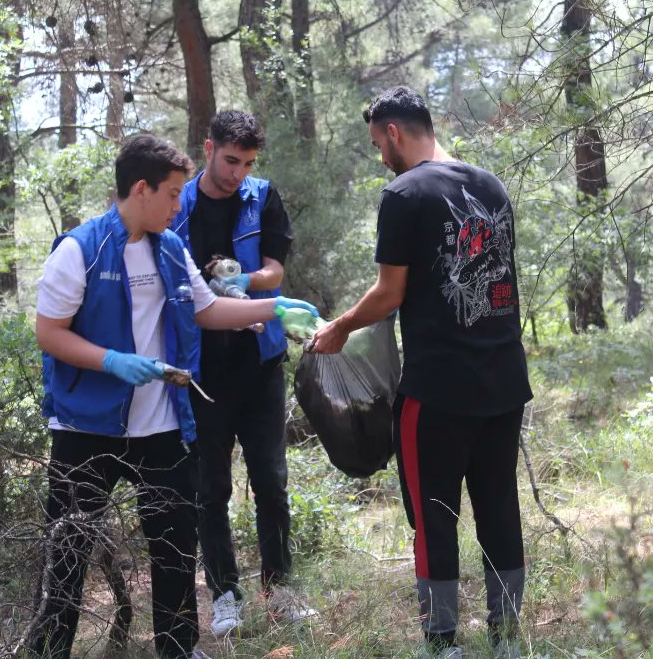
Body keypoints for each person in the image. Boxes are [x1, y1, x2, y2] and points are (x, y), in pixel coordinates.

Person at [33, 133, 317, 659]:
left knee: (173, 548)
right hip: (85, 429)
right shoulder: (80, 249)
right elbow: (49, 333)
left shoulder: (168, 247)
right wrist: (111, 360)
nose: (177, 204)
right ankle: (48, 651)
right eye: (170, 194)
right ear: (140, 189)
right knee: (67, 556)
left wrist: (274, 308)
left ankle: (179, 649)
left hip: (161, 427)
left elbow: (206, 309)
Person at [309, 87, 531, 659]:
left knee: (434, 514)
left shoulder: (403, 193)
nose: (379, 154)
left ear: (393, 133)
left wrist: (339, 328)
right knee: (499, 504)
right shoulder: (490, 185)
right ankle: (507, 639)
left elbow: (389, 294)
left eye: (377, 143)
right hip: (504, 381)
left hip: (437, 390)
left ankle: (442, 644)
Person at [169, 110, 316, 636]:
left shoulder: (262, 196)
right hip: (202, 369)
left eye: (247, 162)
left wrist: (242, 281)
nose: (237, 173)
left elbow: (276, 271)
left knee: (272, 481)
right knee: (211, 489)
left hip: (260, 366)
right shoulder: (178, 203)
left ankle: (279, 590)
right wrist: (206, 291)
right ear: (208, 148)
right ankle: (225, 594)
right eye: (230, 160)